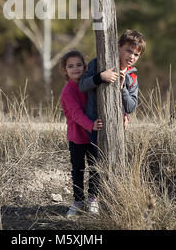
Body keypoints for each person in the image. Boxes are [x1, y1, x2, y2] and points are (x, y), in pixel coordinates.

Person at [79, 30, 146, 144]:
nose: (131, 57)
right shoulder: (98, 63)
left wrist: (122, 87)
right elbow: (82, 86)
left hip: (116, 128)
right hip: (94, 125)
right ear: (118, 47)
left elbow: (130, 107)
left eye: (136, 54)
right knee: (94, 160)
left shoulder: (132, 77)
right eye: (128, 51)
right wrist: (100, 77)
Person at [60, 50, 103, 218]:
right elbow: (76, 114)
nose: (75, 69)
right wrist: (91, 125)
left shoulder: (88, 85)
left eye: (79, 65)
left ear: (85, 67)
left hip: (93, 137)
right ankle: (78, 202)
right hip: (77, 137)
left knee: (95, 168)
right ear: (65, 70)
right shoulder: (68, 91)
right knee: (78, 169)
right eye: (71, 66)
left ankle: (93, 199)